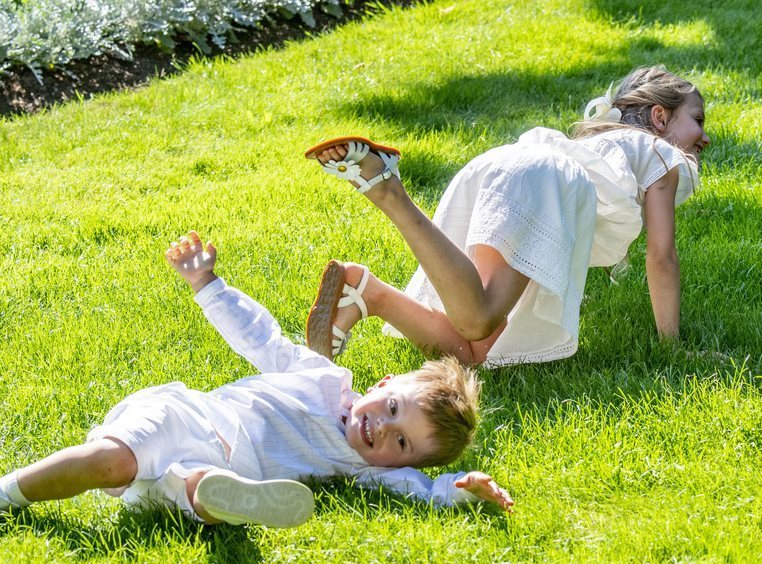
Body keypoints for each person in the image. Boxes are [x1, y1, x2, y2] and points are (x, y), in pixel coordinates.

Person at [0, 231, 513, 528]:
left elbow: (416, 489)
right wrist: (209, 286)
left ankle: (214, 496)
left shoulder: (362, 469)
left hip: (216, 470)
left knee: (192, 489)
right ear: (382, 384)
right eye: (391, 410)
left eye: (401, 445)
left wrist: (457, 489)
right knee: (113, 462)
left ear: (399, 464)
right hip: (194, 419)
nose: (382, 432)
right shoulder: (322, 379)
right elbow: (262, 339)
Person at [304, 65, 709, 367]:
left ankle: (366, 293)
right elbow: (661, 257)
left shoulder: (605, 145)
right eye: (697, 119)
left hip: (509, 166)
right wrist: (672, 346)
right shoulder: (663, 155)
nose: (704, 137)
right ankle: (390, 191)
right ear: (660, 116)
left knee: (473, 351)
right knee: (478, 319)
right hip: (547, 190)